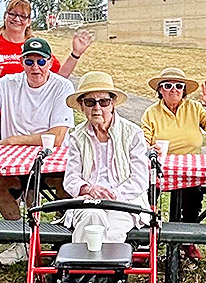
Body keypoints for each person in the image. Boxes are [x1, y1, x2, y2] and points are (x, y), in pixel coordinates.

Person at [0, 37, 76, 265]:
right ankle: (21, 239)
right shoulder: (7, 83)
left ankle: (65, 237)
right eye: (30, 61)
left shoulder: (62, 86)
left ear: (49, 62)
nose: (36, 67)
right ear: (22, 62)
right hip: (15, 163)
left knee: (68, 180)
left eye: (41, 61)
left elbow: (56, 138)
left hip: (52, 163)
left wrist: (13, 140)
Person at [0, 0, 93, 144]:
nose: (17, 19)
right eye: (12, 14)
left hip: (32, 116)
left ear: (29, 21)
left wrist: (75, 54)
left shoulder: (35, 46)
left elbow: (58, 77)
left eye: (22, 16)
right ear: (5, 16)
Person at [140, 67, 206, 259]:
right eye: (167, 86)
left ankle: (186, 239)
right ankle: (144, 241)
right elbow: (143, 139)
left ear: (184, 90)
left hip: (190, 166)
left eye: (179, 86)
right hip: (160, 166)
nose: (173, 90)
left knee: (193, 198)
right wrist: (151, 148)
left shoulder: (194, 108)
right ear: (160, 90)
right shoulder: (151, 112)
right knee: (146, 196)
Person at [63, 71, 150, 245]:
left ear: (112, 104)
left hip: (125, 201)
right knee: (91, 217)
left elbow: (140, 179)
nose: (97, 108)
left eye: (103, 101)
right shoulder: (77, 136)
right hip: (88, 200)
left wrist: (114, 195)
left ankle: (98, 271)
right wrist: (88, 189)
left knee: (114, 229)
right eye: (90, 102)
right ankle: (85, 269)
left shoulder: (132, 133)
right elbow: (70, 179)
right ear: (81, 106)